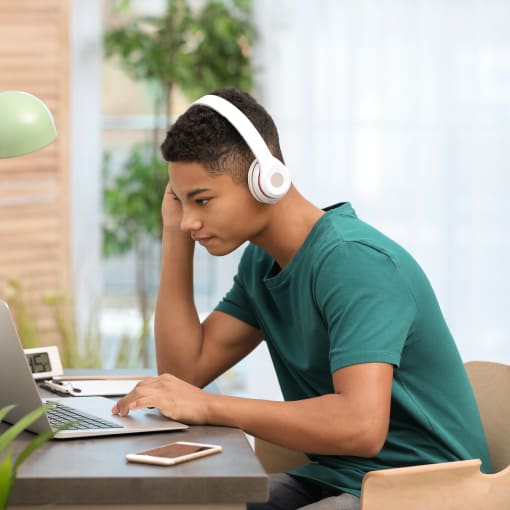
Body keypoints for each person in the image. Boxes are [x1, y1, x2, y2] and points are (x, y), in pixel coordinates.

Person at [112, 87, 491, 510]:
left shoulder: (353, 262)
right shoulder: (262, 262)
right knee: (196, 504)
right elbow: (183, 373)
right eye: (181, 202)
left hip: (426, 489)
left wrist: (210, 407)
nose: (191, 220)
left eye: (202, 200)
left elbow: (361, 426)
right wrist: (175, 236)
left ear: (265, 180)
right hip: (338, 477)